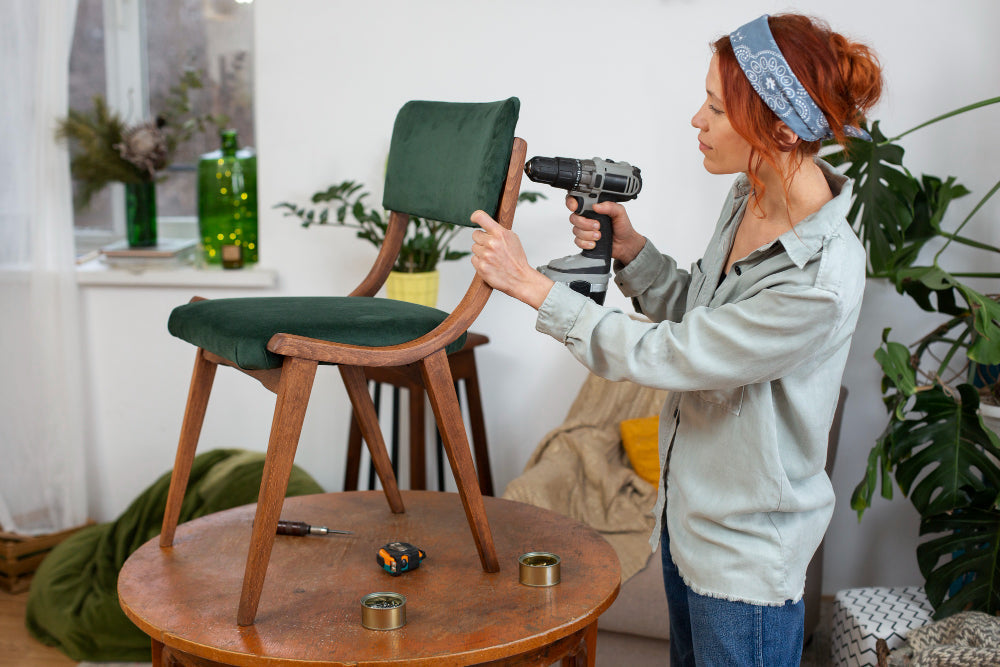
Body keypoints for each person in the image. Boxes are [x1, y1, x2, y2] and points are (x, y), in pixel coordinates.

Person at [470, 13, 883, 666]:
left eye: (716, 108)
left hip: (744, 570)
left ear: (777, 127)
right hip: (686, 532)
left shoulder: (821, 277)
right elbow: (699, 310)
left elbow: (679, 355)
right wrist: (632, 251)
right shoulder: (749, 199)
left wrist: (532, 286)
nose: (696, 119)